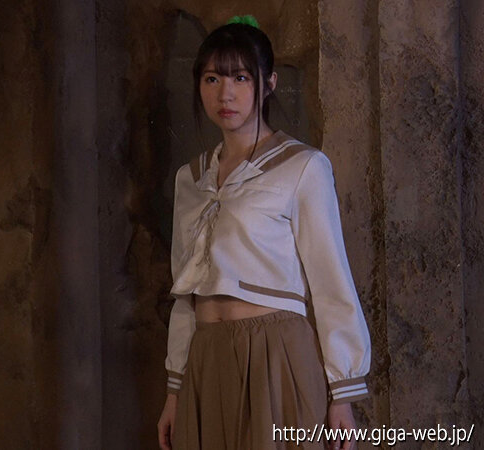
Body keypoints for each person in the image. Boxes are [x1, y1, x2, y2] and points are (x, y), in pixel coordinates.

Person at [156, 15, 371, 450]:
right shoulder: (190, 179)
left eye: (240, 77)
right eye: (213, 78)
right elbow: (185, 293)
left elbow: (332, 283)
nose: (225, 93)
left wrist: (342, 396)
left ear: (268, 83)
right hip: (206, 359)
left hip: (277, 355)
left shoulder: (303, 167)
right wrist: (175, 391)